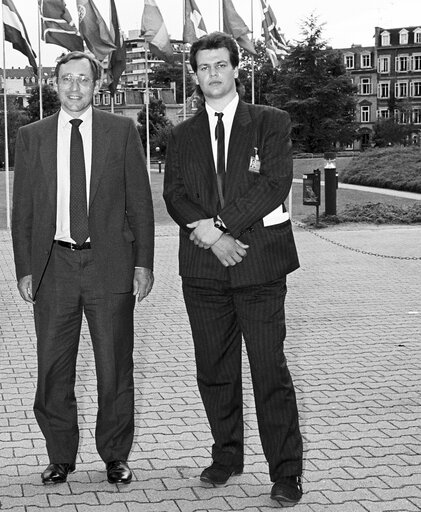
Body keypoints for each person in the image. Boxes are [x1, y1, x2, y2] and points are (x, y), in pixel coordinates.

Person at [162, 32, 304, 505]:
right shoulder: (180, 136)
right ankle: (227, 457)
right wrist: (208, 237)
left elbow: (274, 182)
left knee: (270, 371)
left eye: (221, 65)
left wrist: (219, 228)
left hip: (259, 267)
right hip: (203, 274)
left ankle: (285, 473)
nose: (213, 75)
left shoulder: (270, 122)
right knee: (214, 371)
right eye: (203, 68)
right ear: (195, 75)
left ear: (236, 68)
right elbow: (175, 194)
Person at [11, 51, 155, 485]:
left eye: (84, 80)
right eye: (66, 79)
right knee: (53, 368)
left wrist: (143, 263)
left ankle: (115, 454)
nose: (75, 88)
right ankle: (60, 456)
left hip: (110, 265)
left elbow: (141, 204)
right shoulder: (32, 136)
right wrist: (24, 268)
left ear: (97, 86)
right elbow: (23, 211)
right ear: (54, 84)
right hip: (54, 266)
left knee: (115, 365)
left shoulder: (121, 131)